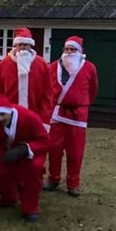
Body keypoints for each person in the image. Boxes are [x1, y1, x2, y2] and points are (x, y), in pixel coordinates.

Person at [0, 94, 49, 223]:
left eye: (2, 115)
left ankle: (31, 208)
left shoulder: (29, 118)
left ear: (9, 111)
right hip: (8, 153)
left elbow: (44, 141)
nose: (0, 118)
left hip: (31, 154)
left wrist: (24, 149)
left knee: (34, 168)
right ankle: (9, 197)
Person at [44, 35, 99, 197]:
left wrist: (81, 103)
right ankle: (53, 178)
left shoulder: (89, 68)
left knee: (75, 152)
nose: (69, 52)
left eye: (73, 49)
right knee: (54, 148)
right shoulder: (53, 67)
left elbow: (93, 90)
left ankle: (73, 183)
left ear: (80, 51)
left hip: (78, 115)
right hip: (57, 113)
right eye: (66, 49)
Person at [0, 27, 53, 126]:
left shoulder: (41, 64)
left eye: (25, 45)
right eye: (20, 45)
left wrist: (44, 118)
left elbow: (47, 93)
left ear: (30, 46)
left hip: (35, 116)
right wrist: (1, 111)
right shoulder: (4, 64)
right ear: (15, 45)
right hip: (9, 116)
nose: (22, 48)